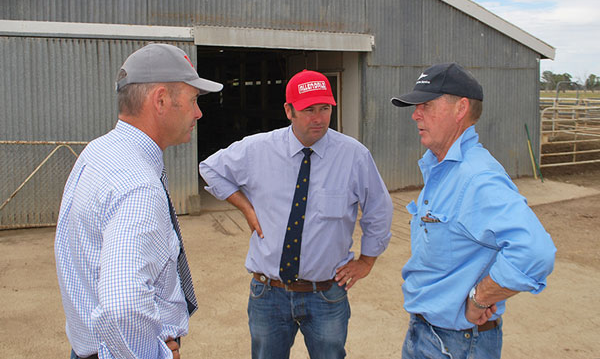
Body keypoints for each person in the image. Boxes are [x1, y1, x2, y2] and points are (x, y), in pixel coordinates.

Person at [199, 69, 394, 359]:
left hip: (326, 294)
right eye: (309, 110)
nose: (319, 118)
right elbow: (211, 169)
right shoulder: (258, 149)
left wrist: (367, 260)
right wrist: (246, 207)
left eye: (325, 108)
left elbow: (379, 209)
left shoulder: (354, 156)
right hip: (268, 294)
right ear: (289, 110)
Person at [55, 43, 223, 359]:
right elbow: (122, 301)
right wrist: (154, 354)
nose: (199, 113)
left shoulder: (99, 151)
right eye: (193, 100)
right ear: (160, 100)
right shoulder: (138, 187)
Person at [390, 62, 556, 358]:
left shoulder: (477, 177)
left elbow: (535, 252)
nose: (415, 114)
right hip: (429, 334)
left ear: (460, 108)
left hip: (456, 344)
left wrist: (480, 299)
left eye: (426, 105)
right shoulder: (442, 169)